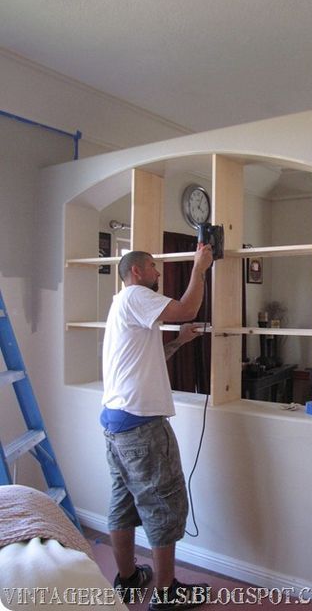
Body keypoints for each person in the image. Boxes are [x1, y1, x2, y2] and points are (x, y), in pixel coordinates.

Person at [101, 245, 213, 610]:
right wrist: (200, 268)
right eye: (152, 266)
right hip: (141, 427)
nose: (158, 272)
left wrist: (180, 340)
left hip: (116, 424)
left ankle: (130, 579)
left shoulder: (124, 305)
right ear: (135, 272)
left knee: (124, 503)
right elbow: (187, 309)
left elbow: (145, 361)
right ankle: (167, 593)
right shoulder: (136, 295)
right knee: (163, 504)